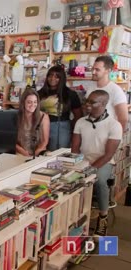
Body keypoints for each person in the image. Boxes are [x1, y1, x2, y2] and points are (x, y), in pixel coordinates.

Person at [71, 90, 122, 236]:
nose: (87, 105)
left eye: (92, 102)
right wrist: (74, 166)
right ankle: (76, 215)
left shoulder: (114, 125)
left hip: (104, 162)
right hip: (83, 160)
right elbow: (74, 149)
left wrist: (90, 169)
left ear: (104, 104)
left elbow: (108, 155)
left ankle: (103, 217)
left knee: (99, 181)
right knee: (68, 179)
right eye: (87, 101)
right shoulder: (81, 122)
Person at [39, 66, 82, 150]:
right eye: (50, 75)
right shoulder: (40, 93)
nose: (52, 78)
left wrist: (72, 129)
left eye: (57, 76)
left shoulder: (70, 94)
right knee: (41, 152)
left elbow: (78, 115)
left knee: (58, 154)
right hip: (40, 126)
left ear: (62, 79)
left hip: (61, 127)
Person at [87, 55, 128, 132]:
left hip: (107, 134)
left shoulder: (116, 90)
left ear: (108, 70)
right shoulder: (90, 88)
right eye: (93, 69)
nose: (93, 72)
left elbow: (123, 119)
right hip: (91, 132)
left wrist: (116, 138)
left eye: (97, 70)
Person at [16, 88, 50, 157]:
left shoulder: (43, 117)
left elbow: (44, 142)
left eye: (35, 102)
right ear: (23, 102)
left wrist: (34, 155)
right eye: (29, 102)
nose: (32, 105)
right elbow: (11, 141)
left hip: (38, 152)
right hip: (20, 152)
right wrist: (23, 152)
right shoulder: (16, 116)